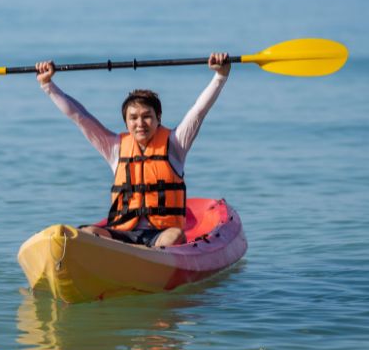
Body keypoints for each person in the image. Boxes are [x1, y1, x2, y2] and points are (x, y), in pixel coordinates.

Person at [36, 53, 230, 248]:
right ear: (126, 121)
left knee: (175, 235)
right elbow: (80, 117)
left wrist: (220, 76)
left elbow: (198, 112)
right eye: (133, 118)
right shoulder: (115, 147)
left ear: (158, 118)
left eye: (147, 116)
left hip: (161, 235)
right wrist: (48, 85)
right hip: (122, 233)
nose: (140, 123)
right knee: (87, 232)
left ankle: (148, 260)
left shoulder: (175, 144)